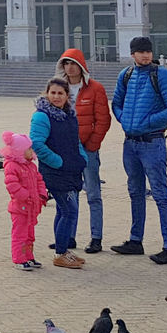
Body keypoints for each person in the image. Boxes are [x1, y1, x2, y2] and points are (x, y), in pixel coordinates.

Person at [110, 36, 167, 265]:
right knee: (135, 192)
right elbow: (116, 104)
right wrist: (126, 122)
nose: (145, 55)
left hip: (152, 143)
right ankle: (135, 240)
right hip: (130, 144)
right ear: (132, 54)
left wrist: (147, 122)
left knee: (160, 194)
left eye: (148, 51)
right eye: (140, 52)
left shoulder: (161, 75)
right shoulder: (126, 75)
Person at [55, 48, 111, 253]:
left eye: (73, 63)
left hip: (87, 150)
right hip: (66, 151)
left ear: (81, 66)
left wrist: (92, 144)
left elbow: (103, 119)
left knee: (93, 193)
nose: (69, 67)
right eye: (66, 63)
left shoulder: (95, 88)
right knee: (70, 193)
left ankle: (96, 237)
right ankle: (68, 236)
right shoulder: (59, 88)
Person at [30, 76, 87, 269]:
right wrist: (58, 161)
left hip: (71, 170)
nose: (56, 97)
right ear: (47, 93)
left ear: (67, 95)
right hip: (55, 172)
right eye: (52, 93)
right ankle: (60, 253)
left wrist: (82, 158)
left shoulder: (70, 115)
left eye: (60, 93)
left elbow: (75, 140)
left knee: (64, 210)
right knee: (70, 211)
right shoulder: (42, 116)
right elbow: (36, 143)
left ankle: (62, 250)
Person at [1, 131, 48, 271]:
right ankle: (19, 259)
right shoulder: (12, 166)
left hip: (32, 207)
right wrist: (25, 196)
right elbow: (12, 185)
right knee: (19, 235)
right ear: (19, 151)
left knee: (29, 234)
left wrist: (41, 194)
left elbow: (39, 180)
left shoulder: (31, 166)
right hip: (20, 208)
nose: (31, 151)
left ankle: (29, 256)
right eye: (28, 148)